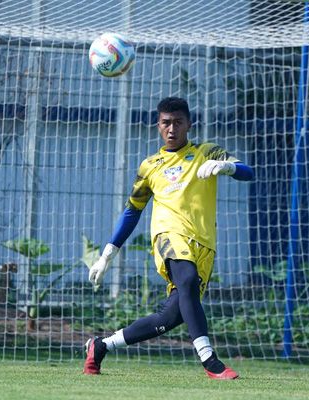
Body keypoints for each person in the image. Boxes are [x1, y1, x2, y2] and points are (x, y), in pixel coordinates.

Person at [84, 97, 254, 380]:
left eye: (177, 122)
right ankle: (210, 360)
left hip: (205, 245)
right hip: (169, 236)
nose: (171, 129)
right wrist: (106, 255)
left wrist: (228, 167)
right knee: (185, 280)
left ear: (189, 124)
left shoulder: (207, 151)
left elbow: (248, 172)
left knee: (170, 317)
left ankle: (100, 346)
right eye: (166, 123)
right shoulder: (150, 166)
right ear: (158, 126)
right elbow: (132, 212)